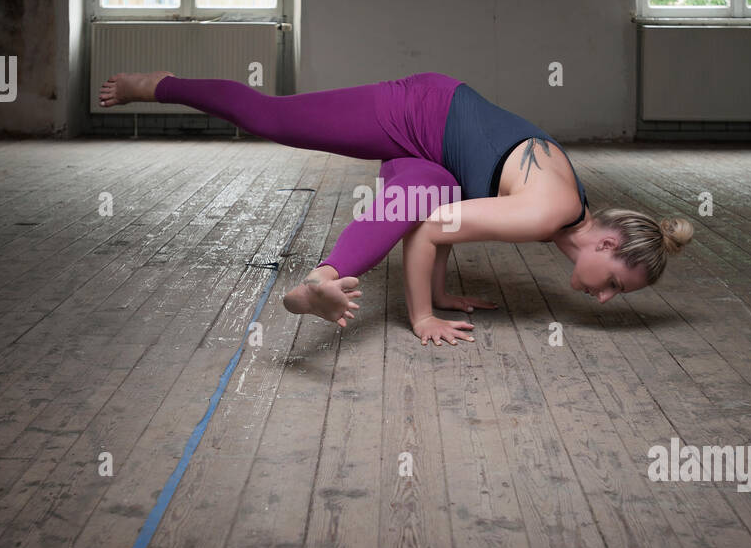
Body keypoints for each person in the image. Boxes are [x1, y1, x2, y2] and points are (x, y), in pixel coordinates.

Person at [99, 71, 693, 346]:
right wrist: (423, 317)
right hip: (417, 111)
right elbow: (435, 232)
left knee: (423, 193)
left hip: (438, 160)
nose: (605, 297)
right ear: (607, 244)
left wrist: (440, 291)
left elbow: (455, 210)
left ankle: (320, 281)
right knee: (271, 117)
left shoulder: (567, 213)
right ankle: (154, 84)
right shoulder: (545, 214)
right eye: (616, 284)